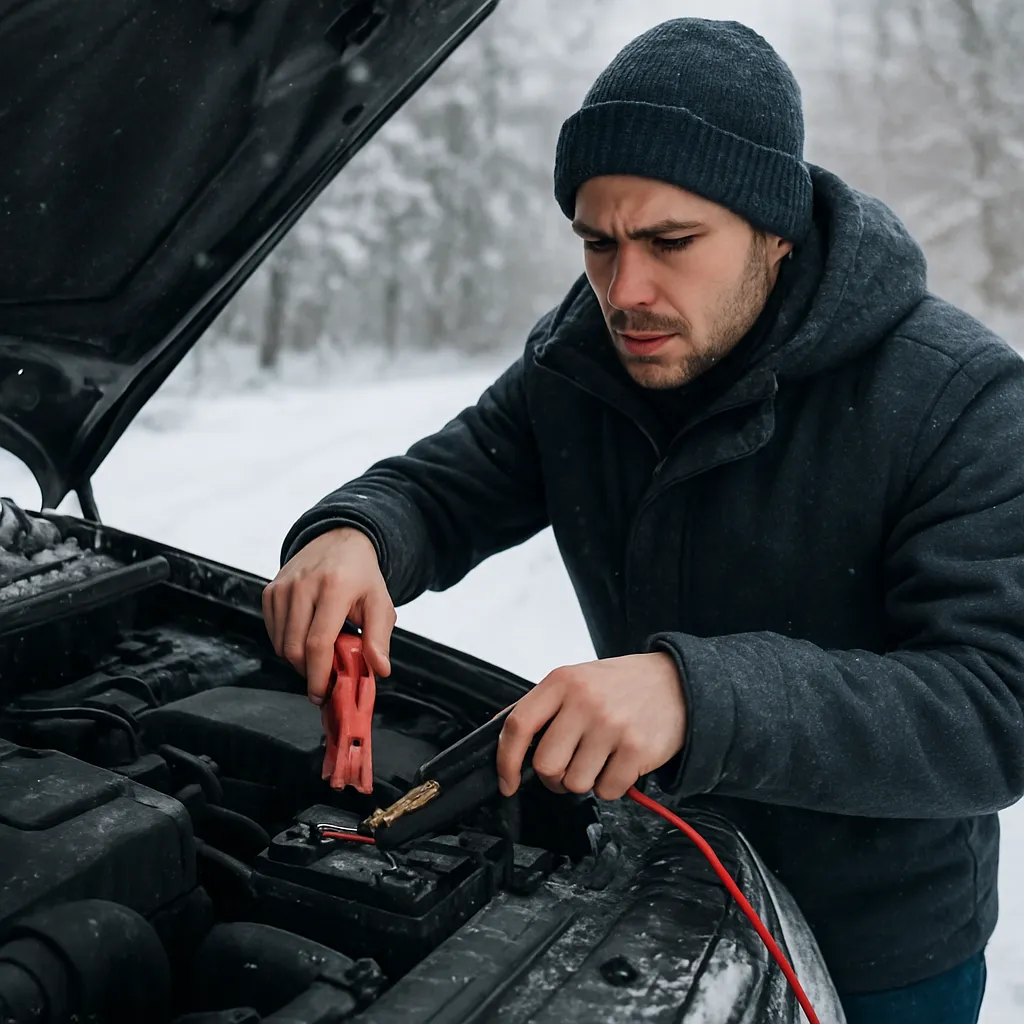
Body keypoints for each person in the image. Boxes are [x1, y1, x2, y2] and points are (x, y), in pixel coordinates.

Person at [263, 18, 1024, 1024]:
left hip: (875, 954)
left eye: (671, 242)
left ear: (774, 231)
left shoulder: (957, 396)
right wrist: (355, 534)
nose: (626, 291)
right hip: (645, 896)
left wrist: (695, 696)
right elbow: (447, 486)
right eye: (596, 242)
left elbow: (996, 705)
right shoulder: (581, 360)